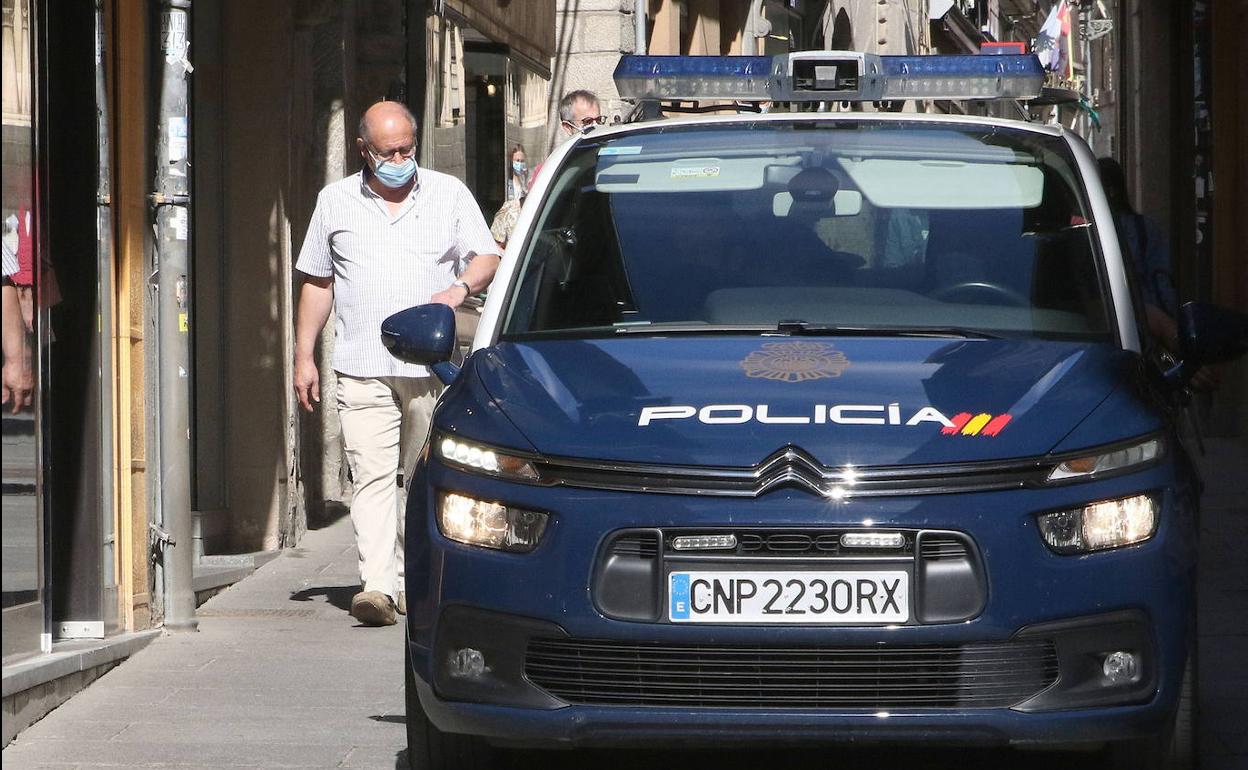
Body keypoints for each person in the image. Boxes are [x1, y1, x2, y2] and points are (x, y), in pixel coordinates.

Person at [293, 101, 501, 627]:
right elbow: (318, 282)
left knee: (421, 475)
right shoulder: (334, 202)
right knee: (371, 475)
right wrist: (303, 355)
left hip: (432, 370)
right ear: (365, 151)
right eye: (390, 151)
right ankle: (378, 586)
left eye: (408, 147)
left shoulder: (448, 194)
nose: (401, 157)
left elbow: (487, 256)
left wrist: (458, 289)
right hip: (362, 363)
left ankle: (411, 578)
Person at [1098, 157, 1216, 391]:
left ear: (1109, 191)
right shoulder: (1144, 228)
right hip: (1151, 333)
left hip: (1138, 332)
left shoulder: (1103, 232)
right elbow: (1163, 280)